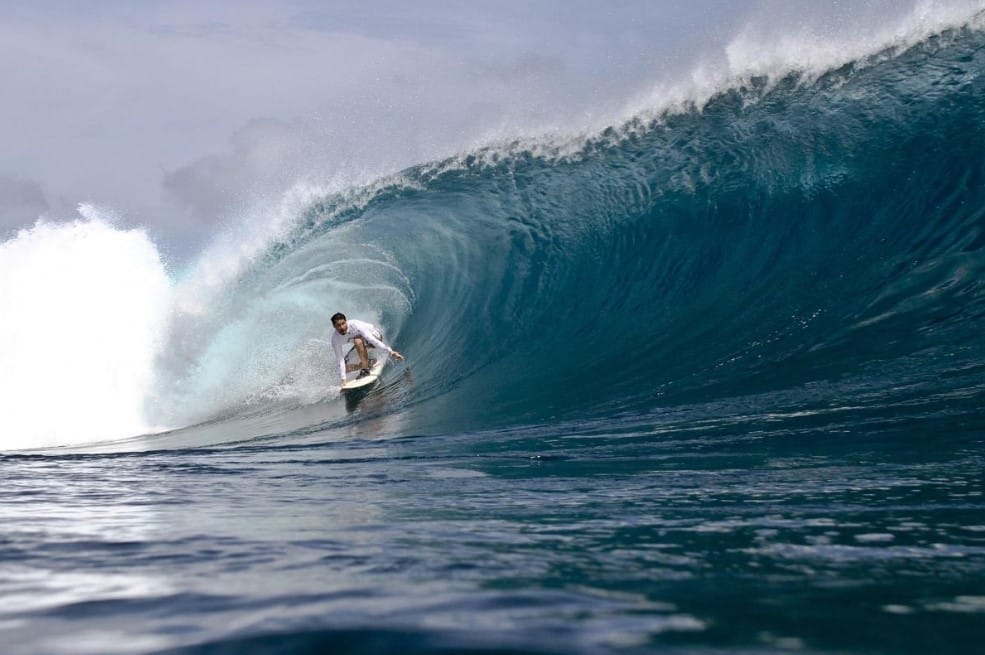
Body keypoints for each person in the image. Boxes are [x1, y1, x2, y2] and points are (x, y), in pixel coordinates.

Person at [330, 312, 405, 385]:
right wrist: (343, 379)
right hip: (361, 342)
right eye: (338, 325)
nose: (342, 327)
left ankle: (365, 369)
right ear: (334, 326)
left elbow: (372, 340)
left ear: (346, 321)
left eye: (343, 323)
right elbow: (340, 360)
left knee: (357, 340)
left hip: (375, 336)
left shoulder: (355, 325)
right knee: (345, 368)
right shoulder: (335, 339)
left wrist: (390, 352)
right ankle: (369, 363)